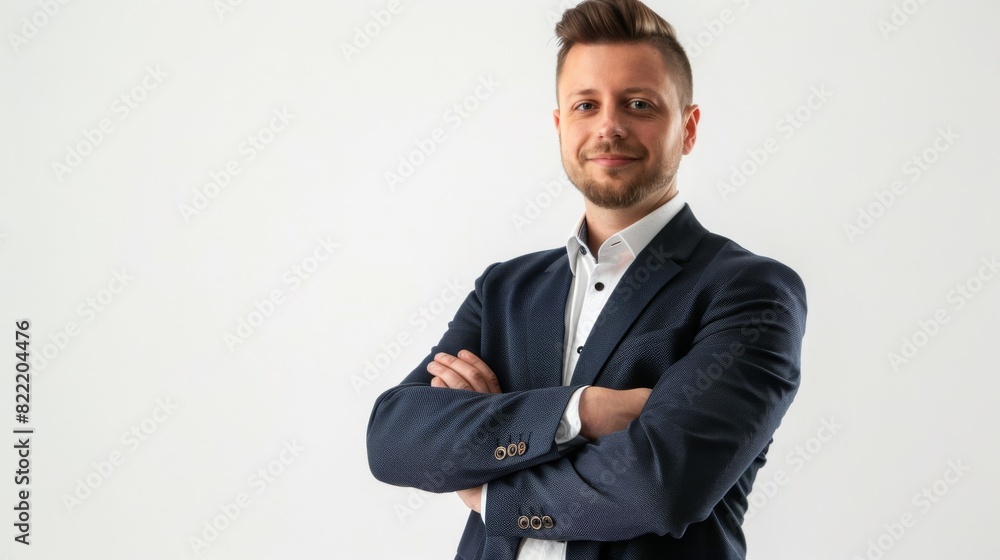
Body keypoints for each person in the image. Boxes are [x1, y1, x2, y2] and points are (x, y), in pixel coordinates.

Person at [366, 0, 807, 558]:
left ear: (688, 128)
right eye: (586, 105)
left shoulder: (752, 292)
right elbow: (394, 440)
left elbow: (655, 488)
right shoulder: (505, 290)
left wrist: (486, 489)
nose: (609, 127)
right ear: (560, 126)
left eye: (639, 104)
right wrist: (586, 411)